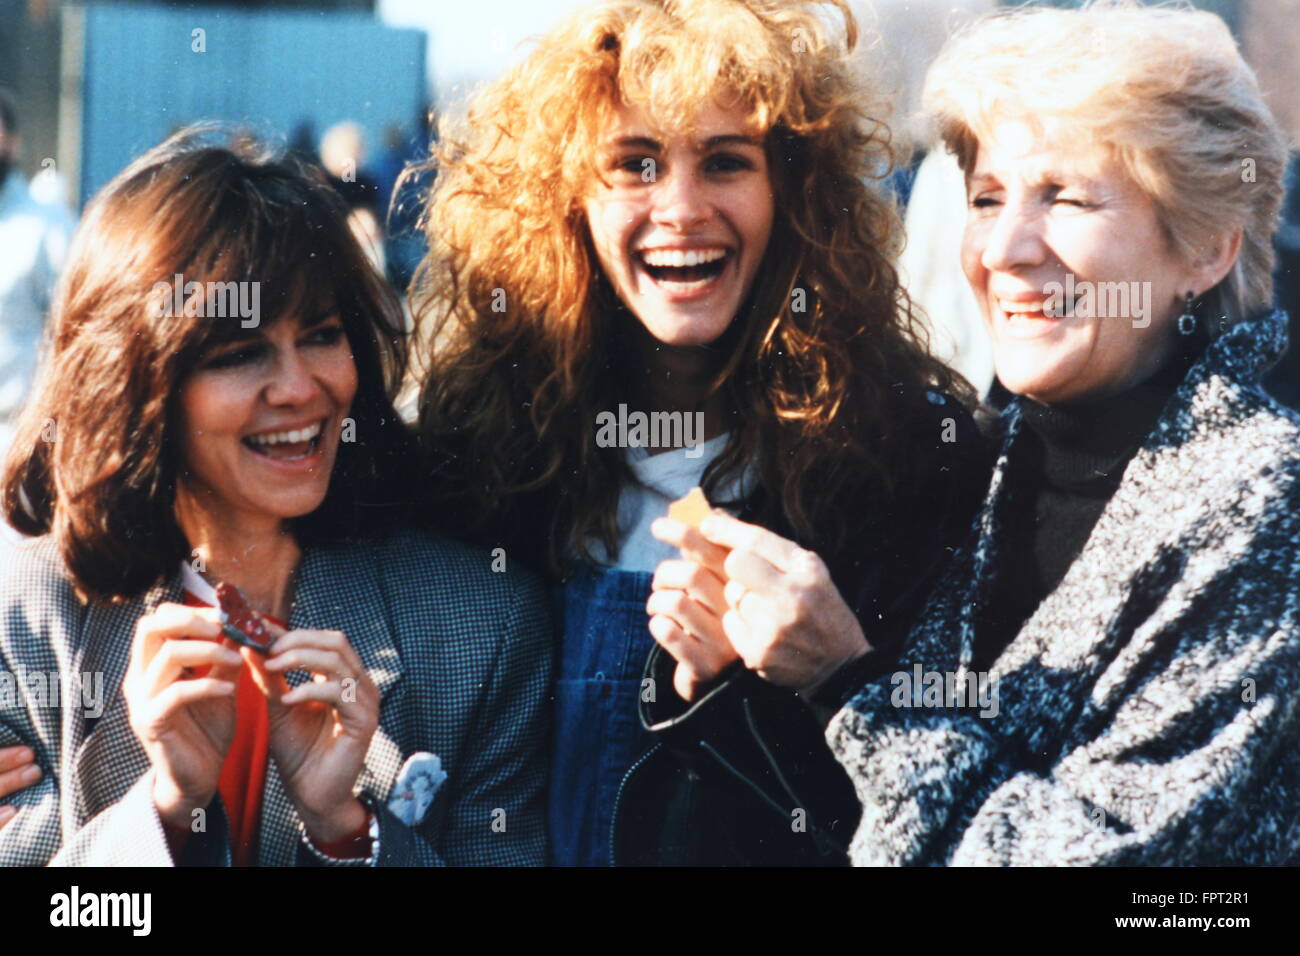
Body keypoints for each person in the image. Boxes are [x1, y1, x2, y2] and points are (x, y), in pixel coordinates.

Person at [413, 0, 988, 866]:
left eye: (726, 162)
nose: (681, 208)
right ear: (567, 201)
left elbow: (928, 816)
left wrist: (790, 689)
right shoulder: (480, 452)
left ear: (794, 195)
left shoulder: (903, 459)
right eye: (635, 164)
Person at [824, 1, 1300, 865]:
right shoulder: (980, 466)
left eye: (1067, 197)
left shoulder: (1268, 503)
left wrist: (849, 688)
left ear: (1206, 248)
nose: (1004, 247)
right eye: (987, 196)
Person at [0, 128, 551, 866]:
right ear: (135, 382)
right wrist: (163, 817)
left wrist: (346, 831)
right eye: (239, 353)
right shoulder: (25, 627)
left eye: (322, 335)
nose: (299, 389)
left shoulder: (484, 627)